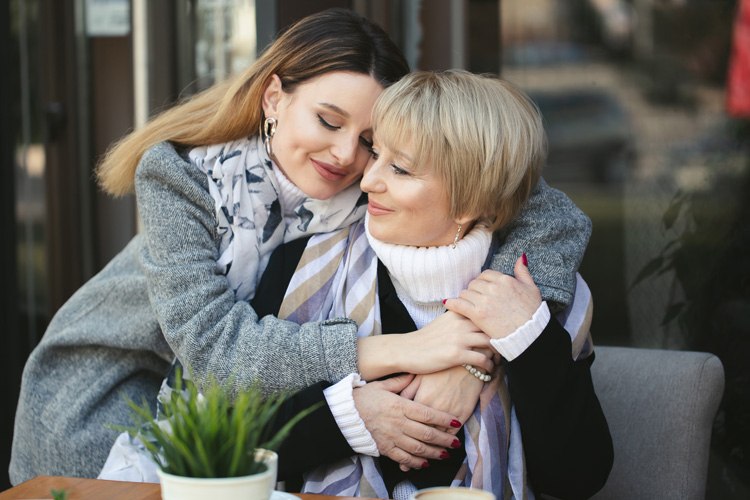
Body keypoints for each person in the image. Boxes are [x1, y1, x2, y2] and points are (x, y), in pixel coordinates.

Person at [9, 9, 592, 484]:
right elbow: (218, 352)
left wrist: (474, 357)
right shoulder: (183, 179)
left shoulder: (375, 187)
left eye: (370, 139)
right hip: (107, 400)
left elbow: (537, 209)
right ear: (273, 99)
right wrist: (411, 350)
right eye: (327, 120)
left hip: (224, 409)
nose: (347, 158)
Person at [101, 70, 612, 500]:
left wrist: (515, 346)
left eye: (401, 168)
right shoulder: (302, 265)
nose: (366, 180)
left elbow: (579, 476)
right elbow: (222, 441)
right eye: (378, 152)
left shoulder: (532, 295)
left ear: (472, 202)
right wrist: (346, 416)